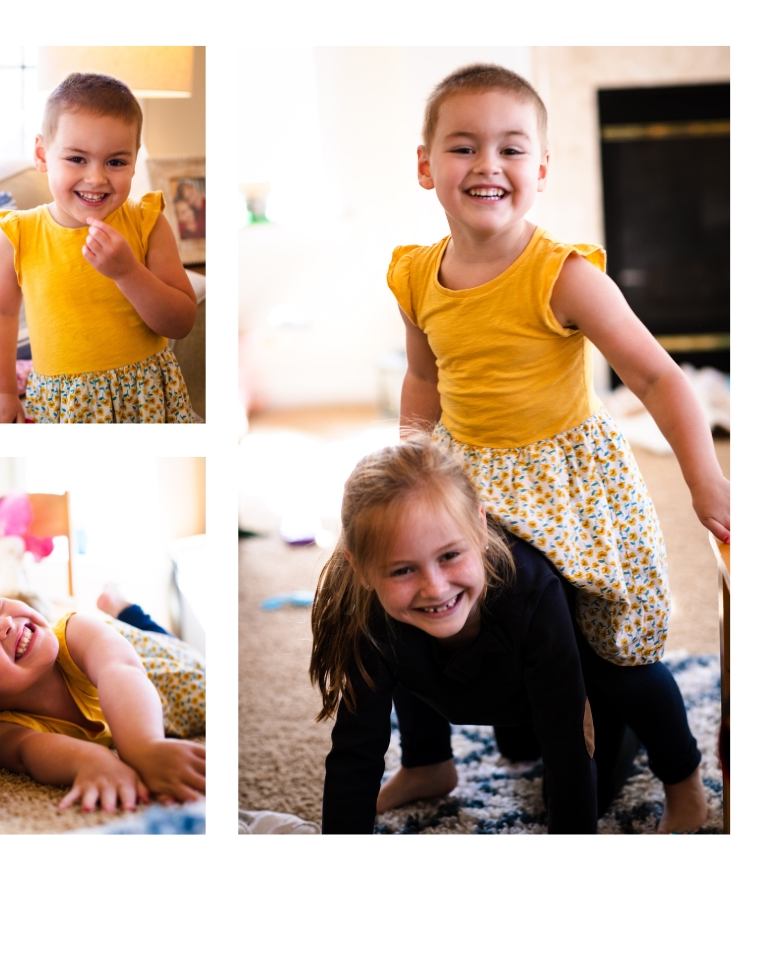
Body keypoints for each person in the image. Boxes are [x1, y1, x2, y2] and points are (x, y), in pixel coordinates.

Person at [387, 63, 727, 831]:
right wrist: (406, 471)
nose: (486, 166)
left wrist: (706, 484)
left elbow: (659, 377)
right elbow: (421, 380)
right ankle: (427, 758)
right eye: (463, 147)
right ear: (424, 165)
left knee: (617, 653)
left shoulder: (562, 274)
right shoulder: (413, 275)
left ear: (540, 170)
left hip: (571, 488)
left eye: (511, 149)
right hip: (469, 483)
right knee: (415, 608)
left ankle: (684, 783)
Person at [311, 439, 695, 834]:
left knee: (578, 793)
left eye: (449, 556)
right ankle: (428, 763)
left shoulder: (533, 592)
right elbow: (355, 753)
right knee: (406, 639)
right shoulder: (367, 613)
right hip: (500, 690)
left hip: (579, 693)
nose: (436, 587)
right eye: (402, 570)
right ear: (358, 567)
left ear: (480, 527)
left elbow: (568, 744)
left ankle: (681, 772)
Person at [0, 72, 198, 423]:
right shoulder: (18, 235)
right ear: (42, 154)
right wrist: (3, 393)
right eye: (77, 159)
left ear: (134, 162)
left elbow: (181, 321)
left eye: (115, 162)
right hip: (65, 407)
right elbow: (0, 315)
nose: (96, 178)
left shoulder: (147, 222)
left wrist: (128, 272)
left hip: (144, 398)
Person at [0, 585, 206, 812]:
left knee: (165, 640)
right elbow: (32, 753)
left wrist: (143, 746)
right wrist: (91, 761)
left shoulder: (78, 632)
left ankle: (121, 607)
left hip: (162, 660)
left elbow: (120, 671)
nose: (3, 623)